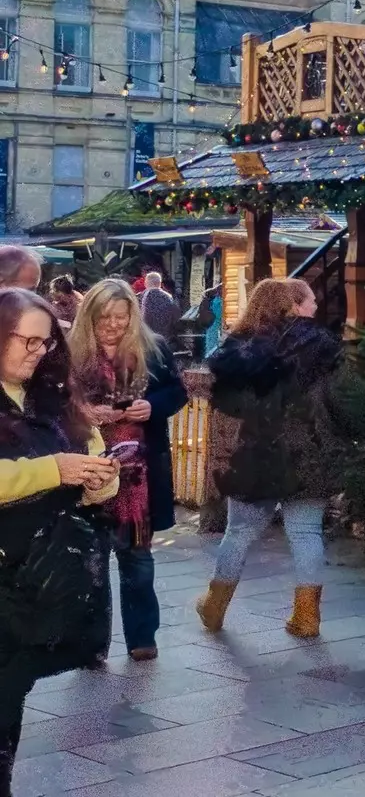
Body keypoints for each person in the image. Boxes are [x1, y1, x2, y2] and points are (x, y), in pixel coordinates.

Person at [0, 286, 120, 795]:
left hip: (40, 580)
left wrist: (100, 480)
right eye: (24, 340)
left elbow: (94, 461)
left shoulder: (56, 397)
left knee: (10, 696)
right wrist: (53, 469)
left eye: (45, 343)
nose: (35, 351)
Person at [198, 278, 342, 639]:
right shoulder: (322, 346)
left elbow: (223, 396)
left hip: (258, 449)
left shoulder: (246, 347)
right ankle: (307, 617)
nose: (315, 308)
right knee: (306, 532)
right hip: (308, 450)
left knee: (239, 532)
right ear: (293, 305)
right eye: (310, 301)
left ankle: (214, 608)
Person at [68, 280, 186, 662]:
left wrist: (152, 406)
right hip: (87, 470)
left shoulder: (153, 349)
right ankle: (90, 645)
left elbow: (177, 392)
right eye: (106, 317)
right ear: (90, 316)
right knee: (91, 562)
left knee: (137, 559)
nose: (114, 324)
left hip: (139, 475)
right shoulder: (69, 353)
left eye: (122, 317)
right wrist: (81, 413)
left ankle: (141, 638)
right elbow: (50, 401)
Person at [137, 272, 181, 344]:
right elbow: (176, 316)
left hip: (146, 339)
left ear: (146, 283)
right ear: (160, 284)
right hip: (165, 338)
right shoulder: (169, 297)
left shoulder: (142, 296)